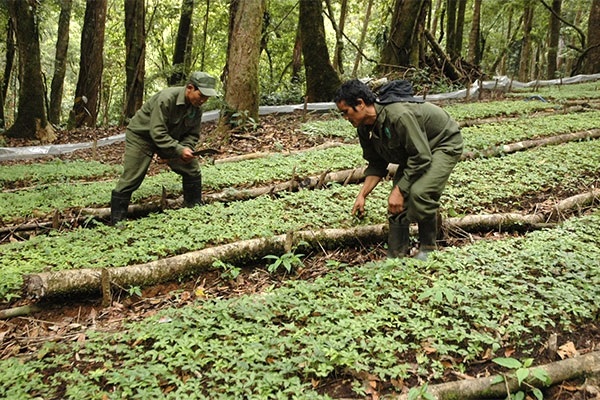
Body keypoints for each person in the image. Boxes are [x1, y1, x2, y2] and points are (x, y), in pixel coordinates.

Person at [334, 79, 463, 260]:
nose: (345, 118)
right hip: (416, 152)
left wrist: (400, 189)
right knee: (396, 204)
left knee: (419, 193)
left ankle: (428, 249)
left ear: (360, 104)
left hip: (443, 143)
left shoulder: (398, 115)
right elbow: (376, 164)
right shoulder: (364, 129)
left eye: (345, 112)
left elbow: (421, 157)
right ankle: (396, 255)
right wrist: (362, 195)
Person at [110, 71, 218, 224]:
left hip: (168, 139)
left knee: (191, 167)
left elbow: (192, 135)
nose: (203, 100)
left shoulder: (196, 109)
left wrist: (186, 149)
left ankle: (193, 208)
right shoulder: (166, 99)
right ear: (190, 88)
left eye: (207, 98)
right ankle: (117, 220)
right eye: (201, 96)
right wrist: (179, 149)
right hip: (142, 137)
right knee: (132, 177)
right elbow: (157, 132)